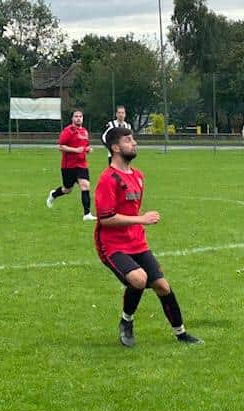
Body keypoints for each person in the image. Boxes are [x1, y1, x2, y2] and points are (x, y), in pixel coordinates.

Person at [94, 127, 202, 347]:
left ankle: (181, 334)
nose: (134, 143)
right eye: (128, 140)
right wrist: (141, 220)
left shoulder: (138, 176)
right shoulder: (108, 179)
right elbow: (106, 218)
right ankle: (126, 321)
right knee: (139, 279)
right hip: (112, 246)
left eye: (133, 139)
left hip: (137, 242)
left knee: (162, 286)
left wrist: (138, 224)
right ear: (115, 148)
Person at [46, 110, 96, 221]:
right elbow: (60, 146)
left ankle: (87, 214)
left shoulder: (84, 132)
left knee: (85, 185)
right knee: (67, 189)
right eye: (76, 116)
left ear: (83, 118)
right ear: (72, 118)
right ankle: (54, 194)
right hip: (68, 166)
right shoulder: (68, 131)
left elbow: (85, 146)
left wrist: (87, 149)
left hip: (82, 164)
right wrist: (75, 150)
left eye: (80, 116)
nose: (78, 118)